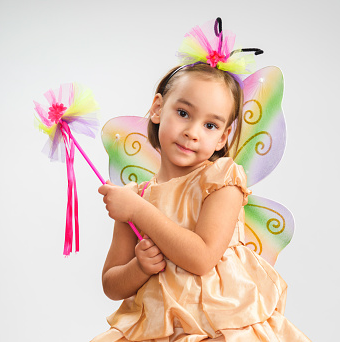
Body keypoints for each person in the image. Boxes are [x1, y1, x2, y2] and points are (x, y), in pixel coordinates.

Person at [92, 20, 310, 342]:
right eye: (183, 113)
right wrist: (138, 268)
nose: (193, 132)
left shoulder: (222, 180)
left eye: (210, 126)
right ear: (157, 109)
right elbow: (111, 283)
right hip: (157, 326)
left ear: (223, 137)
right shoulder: (136, 196)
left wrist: (138, 210)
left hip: (221, 322)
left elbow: (202, 257)